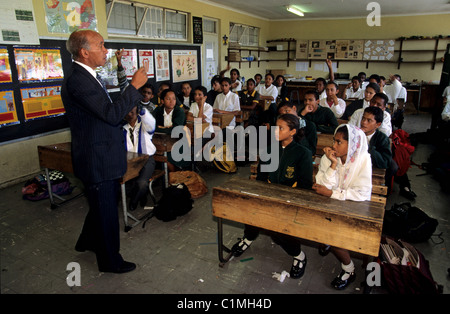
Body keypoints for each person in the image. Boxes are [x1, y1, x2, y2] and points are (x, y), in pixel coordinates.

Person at [61, 30, 147, 273]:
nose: (106, 50)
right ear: (84, 52)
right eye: (101, 45)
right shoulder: (78, 81)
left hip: (100, 153)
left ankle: (86, 241)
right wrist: (134, 86)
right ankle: (110, 261)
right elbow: (110, 115)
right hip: (96, 158)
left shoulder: (88, 76)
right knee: (107, 211)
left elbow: (102, 113)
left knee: (100, 204)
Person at [231, 114, 313, 279]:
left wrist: (286, 200)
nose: (275, 130)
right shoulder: (270, 148)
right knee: (251, 210)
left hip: (289, 200)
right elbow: (261, 177)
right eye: (276, 126)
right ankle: (248, 238)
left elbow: (305, 186)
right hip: (268, 194)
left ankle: (299, 256)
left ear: (292, 132)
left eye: (281, 128)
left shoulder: (302, 153)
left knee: (277, 231)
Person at [313, 124, 372, 290]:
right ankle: (327, 242)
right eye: (334, 140)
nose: (333, 146)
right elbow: (321, 186)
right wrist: (332, 165)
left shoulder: (363, 159)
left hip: (354, 207)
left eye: (339, 142)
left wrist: (333, 194)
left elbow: (361, 194)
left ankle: (349, 269)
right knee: (317, 224)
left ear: (352, 144)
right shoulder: (329, 157)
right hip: (331, 204)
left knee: (332, 234)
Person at [122, 105, 156, 211]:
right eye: (127, 111)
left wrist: (143, 112)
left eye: (132, 110)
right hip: (131, 162)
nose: (130, 113)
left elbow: (151, 123)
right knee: (121, 183)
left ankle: (134, 201)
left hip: (147, 160)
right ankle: (142, 195)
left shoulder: (144, 125)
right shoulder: (123, 128)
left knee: (142, 183)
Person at [152, 89, 189, 172]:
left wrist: (161, 128)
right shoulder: (158, 110)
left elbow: (175, 130)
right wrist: (167, 128)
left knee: (167, 158)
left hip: (179, 142)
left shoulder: (179, 112)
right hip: (162, 141)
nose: (172, 101)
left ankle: (175, 179)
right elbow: (151, 125)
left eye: (174, 99)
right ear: (162, 101)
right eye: (168, 99)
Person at [116, 49, 156, 113]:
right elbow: (123, 82)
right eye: (144, 92)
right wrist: (119, 64)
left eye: (148, 93)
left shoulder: (153, 108)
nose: (145, 95)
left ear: (152, 96)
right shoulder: (134, 102)